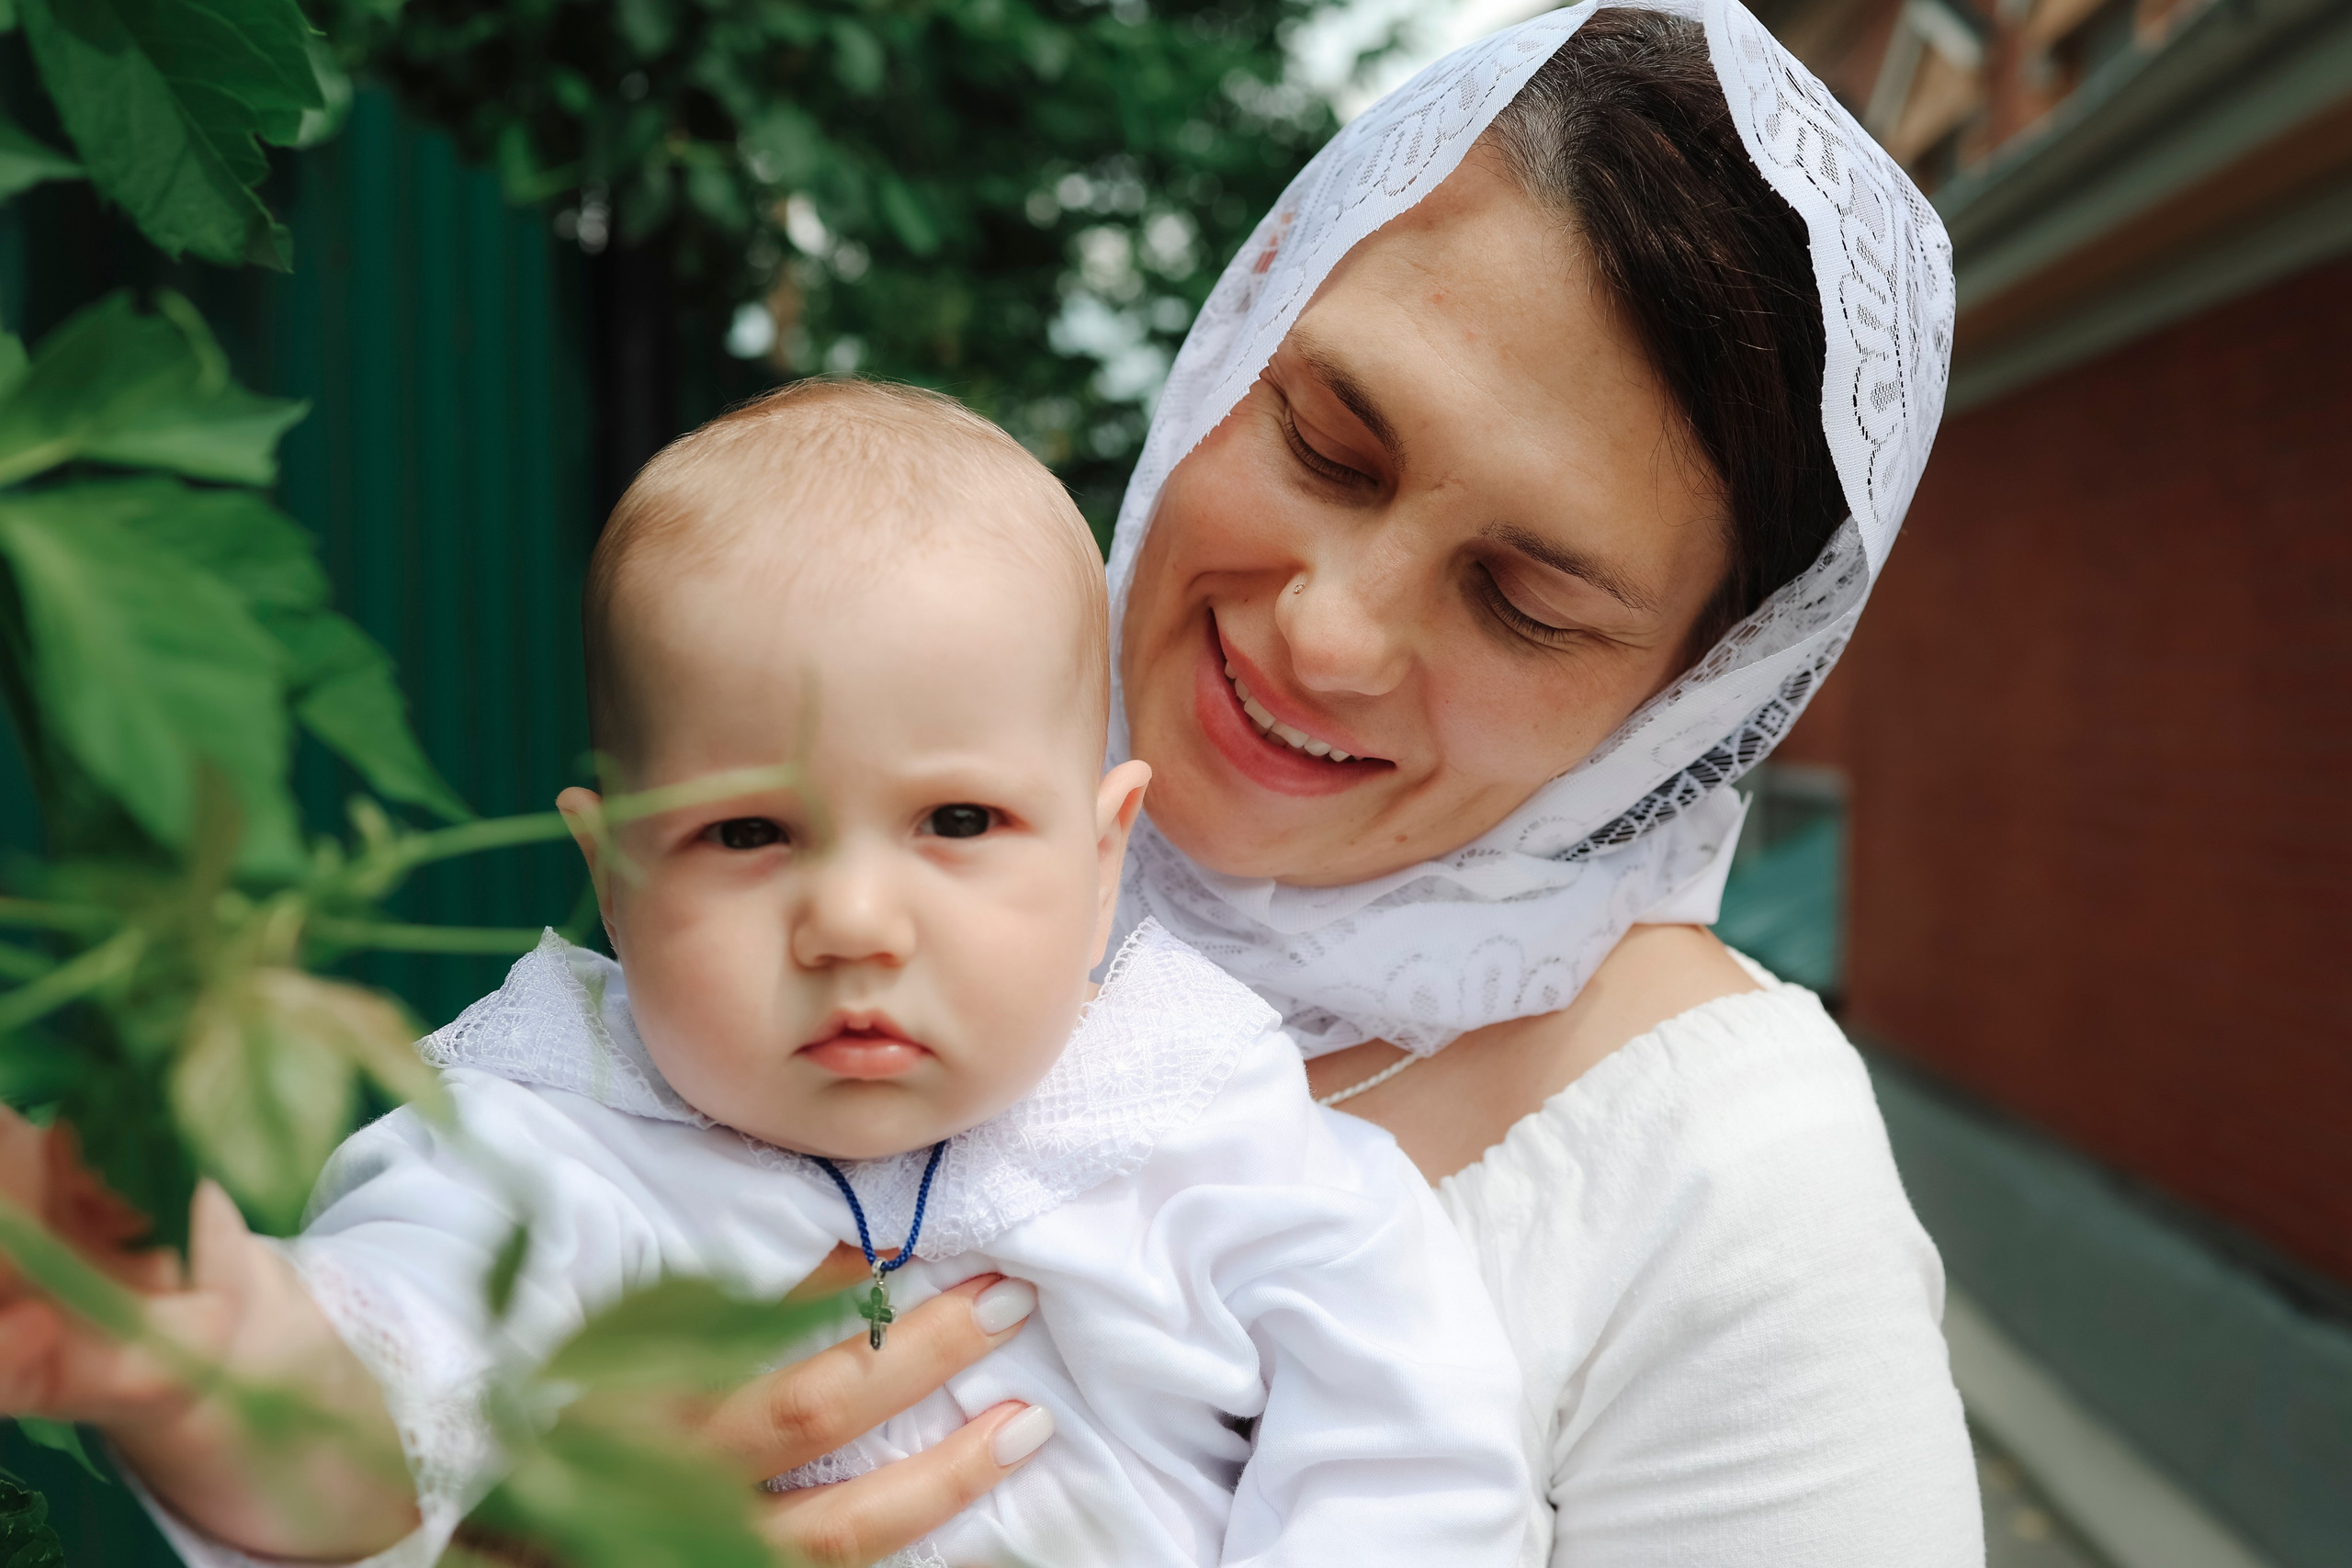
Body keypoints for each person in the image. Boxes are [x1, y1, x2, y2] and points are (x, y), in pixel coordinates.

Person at [558, 6, 1983, 1564]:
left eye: (1523, 606)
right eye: (1325, 446)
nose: (1329, 634)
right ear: (1246, 320)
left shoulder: (1733, 1183)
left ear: (1694, 698)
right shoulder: (846, 783)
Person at [0, 381, 1528, 1567]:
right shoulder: (547, 1139)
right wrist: (205, 1351)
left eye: (959, 821)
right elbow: (387, 1401)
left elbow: (1416, 1479)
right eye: (746, 831)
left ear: (1103, 854)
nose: (853, 921)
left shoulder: (1218, 1137)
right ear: (613, 878)